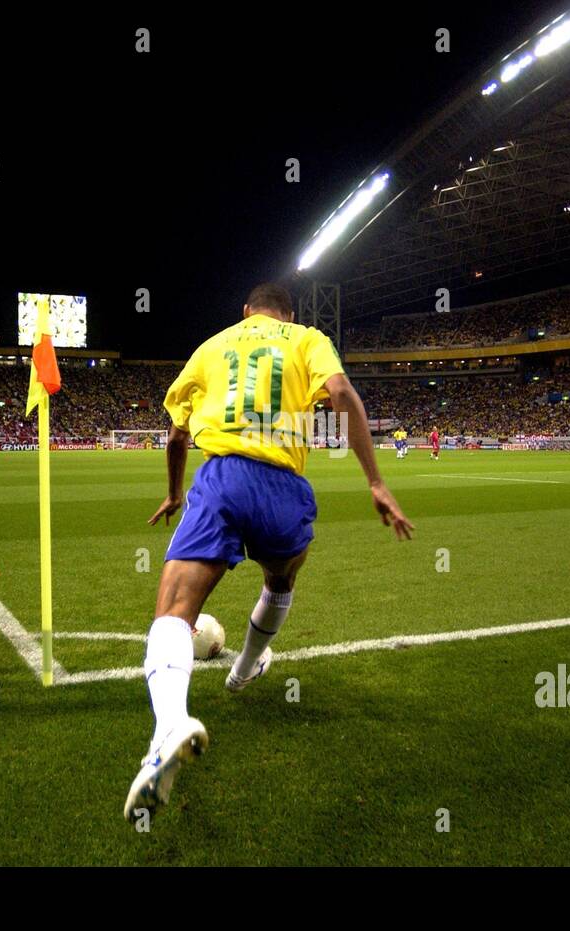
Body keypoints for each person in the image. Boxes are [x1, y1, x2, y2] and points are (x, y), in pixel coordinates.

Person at [124, 283, 413, 823]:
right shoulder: (307, 338)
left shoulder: (212, 345)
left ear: (245, 311)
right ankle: (246, 668)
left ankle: (169, 730)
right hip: (284, 485)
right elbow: (345, 395)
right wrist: (375, 482)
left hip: (223, 478)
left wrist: (173, 492)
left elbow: (175, 436)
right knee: (282, 580)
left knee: (174, 610)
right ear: (289, 313)